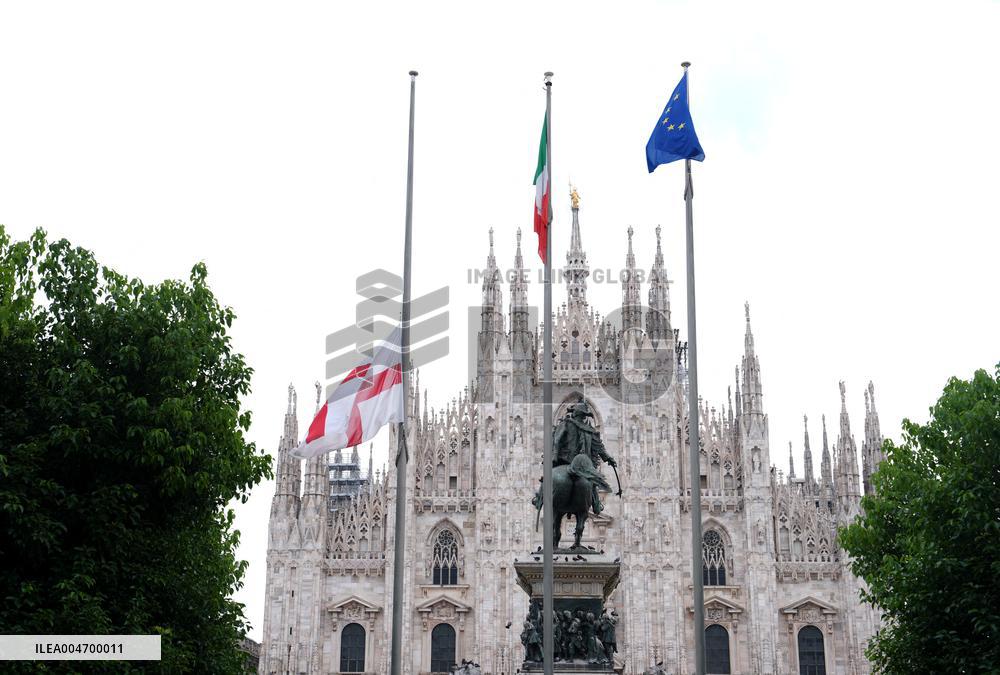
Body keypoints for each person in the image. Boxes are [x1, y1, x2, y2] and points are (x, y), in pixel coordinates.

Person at [552, 401, 617, 513]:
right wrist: (608, 458)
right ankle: (596, 504)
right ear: (583, 416)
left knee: (549, 477)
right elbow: (599, 448)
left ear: (575, 413)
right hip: (582, 463)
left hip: (565, 460)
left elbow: (557, 441)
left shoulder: (566, 424)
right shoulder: (589, 430)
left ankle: (539, 497)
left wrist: (554, 457)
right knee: (591, 480)